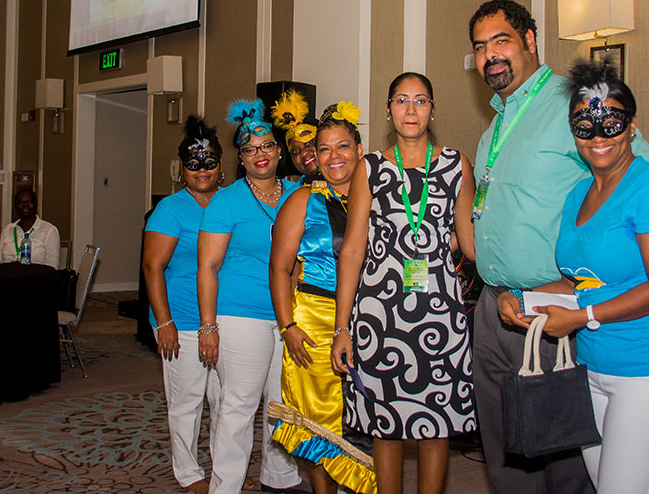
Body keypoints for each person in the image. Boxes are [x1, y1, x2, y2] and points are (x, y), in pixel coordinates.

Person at [466, 0, 649, 493]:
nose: (490, 55)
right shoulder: (495, 125)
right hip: (499, 307)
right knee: (507, 457)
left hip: (560, 307)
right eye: (480, 47)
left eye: (501, 41)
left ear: (529, 40)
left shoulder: (574, 102)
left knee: (569, 462)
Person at [331, 73, 476, 494]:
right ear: (388, 109)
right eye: (401, 100)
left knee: (436, 425)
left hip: (440, 314)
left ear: (432, 109)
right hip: (380, 314)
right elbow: (353, 250)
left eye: (420, 100)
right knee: (386, 425)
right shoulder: (370, 168)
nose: (411, 110)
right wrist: (342, 327)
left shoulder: (456, 164)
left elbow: (469, 241)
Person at [196, 99, 302, 494]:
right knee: (239, 406)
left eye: (267, 145)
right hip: (241, 315)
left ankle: (280, 479)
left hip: (289, 316)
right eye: (249, 148)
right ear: (240, 158)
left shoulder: (299, 193)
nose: (260, 154)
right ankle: (226, 486)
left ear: (279, 150)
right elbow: (207, 267)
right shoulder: (227, 200)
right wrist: (208, 327)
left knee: (284, 404)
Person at [269, 102, 376, 494]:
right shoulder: (301, 201)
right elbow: (279, 268)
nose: (334, 157)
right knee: (321, 422)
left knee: (372, 418)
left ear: (359, 149)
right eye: (324, 149)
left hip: (372, 318)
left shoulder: (381, 198)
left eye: (343, 146)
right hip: (314, 321)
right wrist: (288, 326)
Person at [143, 115, 224, 494]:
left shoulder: (230, 201)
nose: (202, 170)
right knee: (187, 400)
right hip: (182, 319)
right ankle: (189, 473)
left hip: (224, 319)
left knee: (226, 401)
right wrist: (164, 323)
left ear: (221, 164)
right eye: (193, 164)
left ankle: (224, 470)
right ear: (182, 169)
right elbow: (152, 267)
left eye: (209, 162)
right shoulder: (170, 209)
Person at [0, 189, 61, 267]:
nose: (25, 205)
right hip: (9, 274)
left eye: (29, 202)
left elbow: (52, 266)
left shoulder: (49, 230)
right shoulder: (7, 230)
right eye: (20, 202)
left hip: (37, 274)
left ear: (36, 204)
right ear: (15, 206)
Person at [271, 89, 320, 181]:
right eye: (295, 151)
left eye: (309, 143)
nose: (303, 153)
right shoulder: (296, 190)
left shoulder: (347, 182)